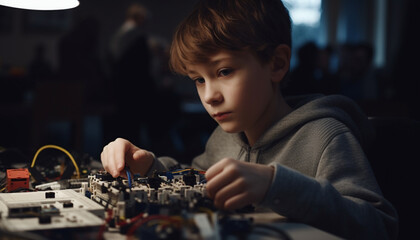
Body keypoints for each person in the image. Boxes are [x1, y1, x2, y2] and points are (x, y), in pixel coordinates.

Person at [100, 1, 398, 239]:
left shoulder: (326, 135)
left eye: (224, 71)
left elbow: (379, 226)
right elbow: (194, 178)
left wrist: (276, 185)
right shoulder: (224, 137)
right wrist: (149, 165)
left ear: (277, 64)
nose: (210, 96)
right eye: (198, 80)